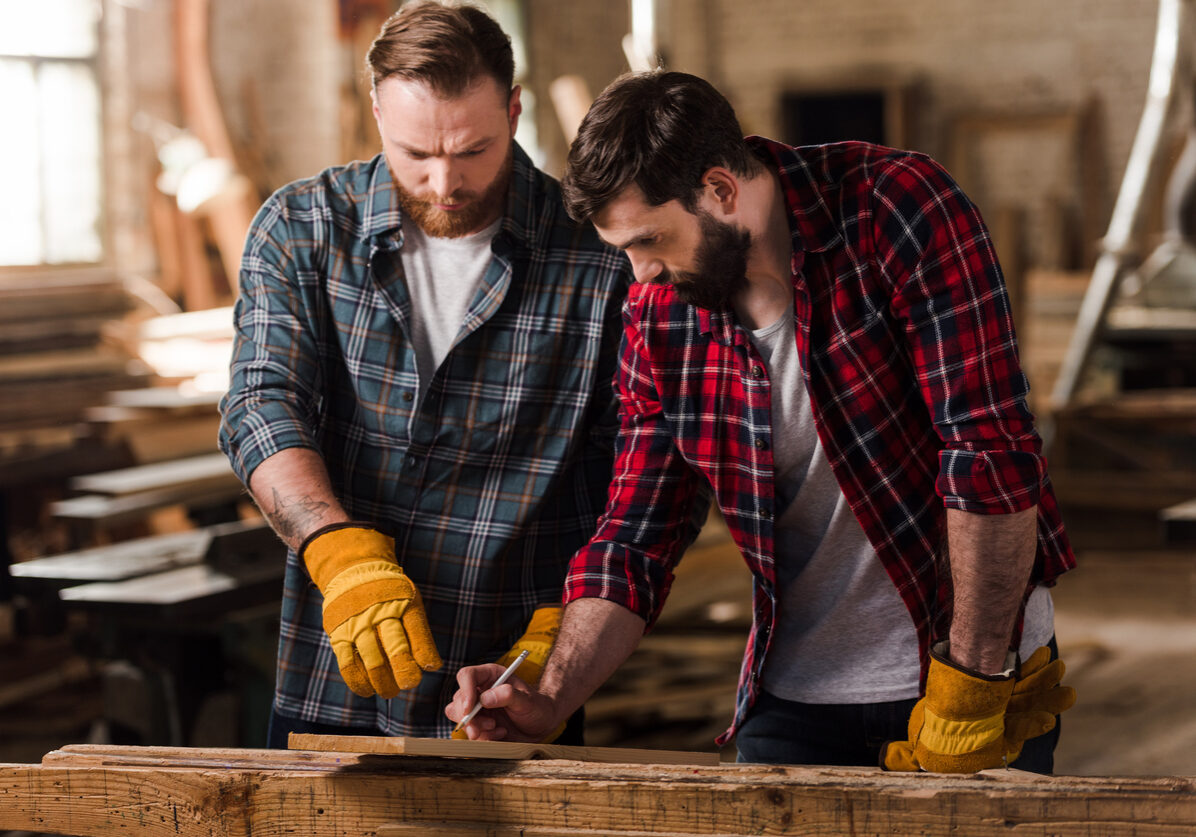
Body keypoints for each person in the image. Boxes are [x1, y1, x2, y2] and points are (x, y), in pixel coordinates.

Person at [446, 70, 1077, 772]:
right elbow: (637, 533)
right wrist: (549, 691)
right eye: (622, 249)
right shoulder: (659, 316)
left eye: (651, 239)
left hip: (964, 666)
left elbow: (986, 452)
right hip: (796, 694)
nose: (640, 275)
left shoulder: (894, 207)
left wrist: (972, 683)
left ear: (720, 190)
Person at [218, 1, 629, 746]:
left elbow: (635, 462)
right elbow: (260, 402)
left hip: (515, 682)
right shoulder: (302, 228)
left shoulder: (600, 253)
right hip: (335, 666)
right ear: (376, 110)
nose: (444, 182)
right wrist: (334, 548)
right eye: (416, 153)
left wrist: (565, 637)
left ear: (513, 108)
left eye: (473, 150)